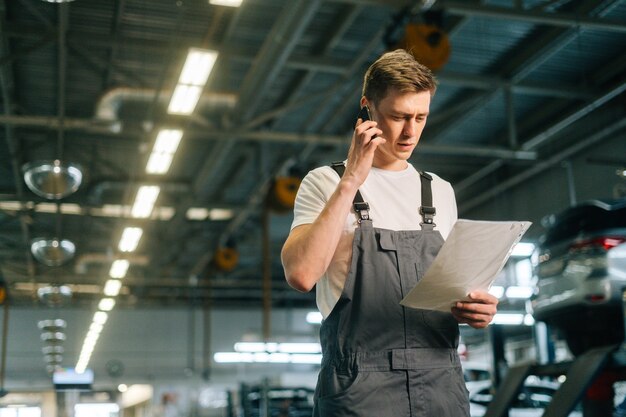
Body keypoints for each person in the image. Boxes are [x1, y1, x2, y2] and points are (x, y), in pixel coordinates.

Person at [281, 49, 498, 416]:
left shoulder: (439, 191)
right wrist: (351, 179)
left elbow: (451, 291)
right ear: (367, 107)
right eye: (398, 116)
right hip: (359, 391)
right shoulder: (325, 182)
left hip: (441, 386)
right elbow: (301, 275)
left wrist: (476, 308)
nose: (410, 131)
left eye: (421, 117)